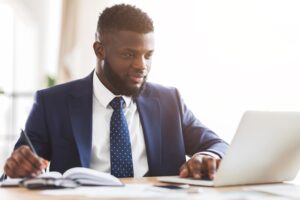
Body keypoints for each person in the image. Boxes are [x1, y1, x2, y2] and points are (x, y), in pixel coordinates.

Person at [3, 4, 228, 179]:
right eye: (129, 54)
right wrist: (17, 168)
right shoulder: (52, 103)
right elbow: (15, 170)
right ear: (100, 50)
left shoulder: (169, 101)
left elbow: (219, 145)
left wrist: (210, 155)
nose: (142, 65)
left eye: (148, 55)